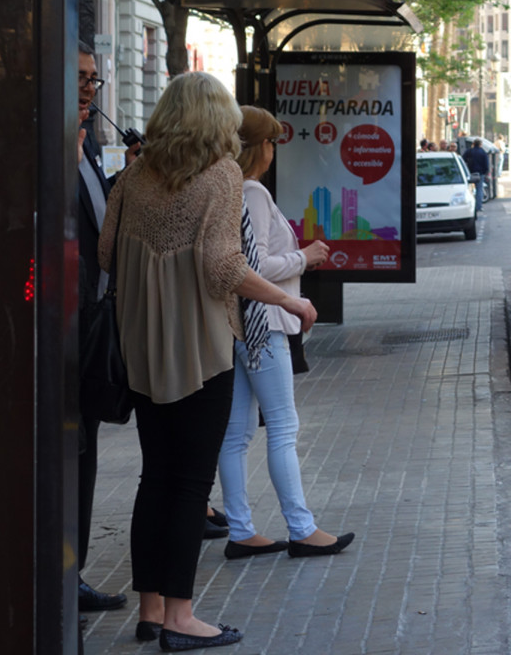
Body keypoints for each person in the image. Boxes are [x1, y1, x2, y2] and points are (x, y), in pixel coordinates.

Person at [99, 72, 317, 651]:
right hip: (198, 347)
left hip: (140, 346)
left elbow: (104, 250)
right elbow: (223, 268)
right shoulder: (220, 175)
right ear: (215, 120)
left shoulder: (136, 174)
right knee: (191, 486)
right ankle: (181, 618)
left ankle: (149, 611)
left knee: (155, 479)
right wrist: (291, 300)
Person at [216, 106, 355, 561]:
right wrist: (305, 257)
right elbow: (252, 267)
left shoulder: (232, 189)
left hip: (240, 323)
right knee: (282, 426)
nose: (276, 149)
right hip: (265, 323)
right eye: (273, 141)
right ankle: (301, 528)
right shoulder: (251, 191)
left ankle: (241, 529)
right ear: (259, 147)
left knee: (236, 433)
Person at [75, 41, 129, 615]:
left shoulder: (87, 149)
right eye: (79, 78)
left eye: (93, 79)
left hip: (91, 327)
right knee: (72, 452)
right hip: (64, 331)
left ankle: (75, 568)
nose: (88, 89)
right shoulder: (53, 150)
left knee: (85, 453)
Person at [463, 138, 490, 209]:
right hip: (480, 173)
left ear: (473, 144)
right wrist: (485, 172)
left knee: (468, 188)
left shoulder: (469, 151)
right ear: (480, 144)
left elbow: (463, 159)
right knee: (479, 189)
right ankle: (478, 206)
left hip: (470, 172)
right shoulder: (483, 152)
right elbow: (486, 164)